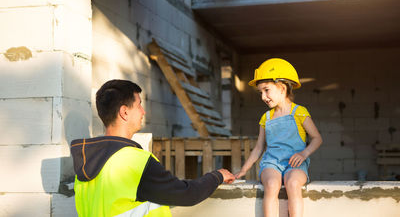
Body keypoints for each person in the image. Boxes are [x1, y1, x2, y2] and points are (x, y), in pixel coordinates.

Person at [71, 79, 235, 217]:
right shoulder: (134, 161)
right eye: (139, 105)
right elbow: (187, 194)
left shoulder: (85, 162)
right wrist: (217, 176)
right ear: (124, 112)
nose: (143, 111)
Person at [234, 58, 323, 217]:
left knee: (293, 183)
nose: (263, 96)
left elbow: (317, 138)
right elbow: (259, 148)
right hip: (271, 163)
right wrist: (243, 170)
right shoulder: (266, 118)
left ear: (282, 88)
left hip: (294, 164)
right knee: (271, 183)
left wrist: (304, 154)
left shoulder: (299, 112)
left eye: (266, 90)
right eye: (260, 92)